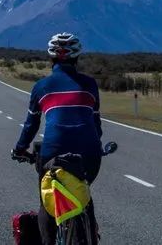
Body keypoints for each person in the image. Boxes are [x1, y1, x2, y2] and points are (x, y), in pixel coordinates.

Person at [11, 32, 103, 244]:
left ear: (51, 58)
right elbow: (95, 124)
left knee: (46, 202)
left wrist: (19, 148)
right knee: (84, 193)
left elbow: (30, 125)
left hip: (53, 151)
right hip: (89, 153)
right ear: (77, 58)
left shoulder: (41, 87)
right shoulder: (90, 85)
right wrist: (96, 144)